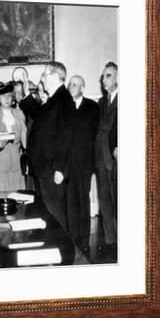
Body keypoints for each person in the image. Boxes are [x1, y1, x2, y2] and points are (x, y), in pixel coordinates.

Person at [19, 62, 74, 231]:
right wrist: (26, 92)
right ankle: (55, 245)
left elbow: (66, 136)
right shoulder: (55, 98)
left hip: (51, 168)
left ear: (55, 76)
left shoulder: (63, 99)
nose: (42, 78)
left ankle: (63, 251)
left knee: (55, 211)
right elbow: (38, 115)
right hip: (44, 167)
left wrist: (59, 168)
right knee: (49, 211)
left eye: (44, 75)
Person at [66, 75, 99, 252]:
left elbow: (95, 136)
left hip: (85, 163)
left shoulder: (93, 107)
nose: (71, 87)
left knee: (83, 200)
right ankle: (72, 237)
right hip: (69, 165)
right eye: (70, 84)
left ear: (83, 87)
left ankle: (85, 239)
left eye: (75, 85)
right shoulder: (64, 108)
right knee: (70, 201)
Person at [95, 62, 118, 257]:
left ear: (118, 78)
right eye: (103, 77)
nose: (104, 80)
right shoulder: (101, 103)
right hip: (100, 161)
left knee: (120, 201)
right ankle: (111, 240)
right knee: (104, 201)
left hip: (116, 160)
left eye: (108, 76)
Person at [0, 81, 27, 191]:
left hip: (17, 165)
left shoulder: (19, 114)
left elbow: (24, 138)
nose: (6, 99)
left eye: (9, 95)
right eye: (3, 96)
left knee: (18, 198)